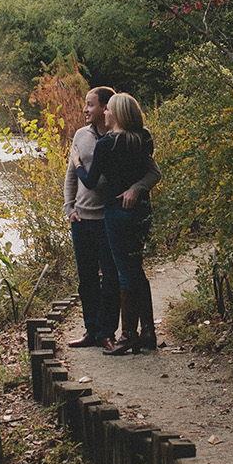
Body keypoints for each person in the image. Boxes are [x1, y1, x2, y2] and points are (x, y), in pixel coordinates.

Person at [64, 87, 160, 352]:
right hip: (84, 217)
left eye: (91, 105)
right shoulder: (83, 136)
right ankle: (95, 330)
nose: (86, 110)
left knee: (115, 276)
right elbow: (71, 176)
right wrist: (68, 207)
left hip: (110, 215)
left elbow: (152, 172)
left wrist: (136, 188)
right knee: (92, 278)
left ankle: (112, 332)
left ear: (109, 109)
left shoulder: (121, 139)